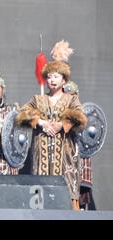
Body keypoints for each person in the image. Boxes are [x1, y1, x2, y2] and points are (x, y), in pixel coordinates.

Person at [16, 40, 87, 210]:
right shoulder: (38, 99)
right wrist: (40, 122)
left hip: (65, 157)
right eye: (49, 76)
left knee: (67, 198)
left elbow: (81, 117)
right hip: (41, 158)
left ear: (64, 80)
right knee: (40, 200)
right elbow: (21, 115)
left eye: (56, 76)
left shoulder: (71, 99)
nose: (52, 80)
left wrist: (61, 125)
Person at [63, 80, 96, 210]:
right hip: (64, 160)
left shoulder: (84, 115)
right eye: (67, 95)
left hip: (80, 160)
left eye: (73, 95)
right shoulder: (58, 114)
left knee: (80, 203)